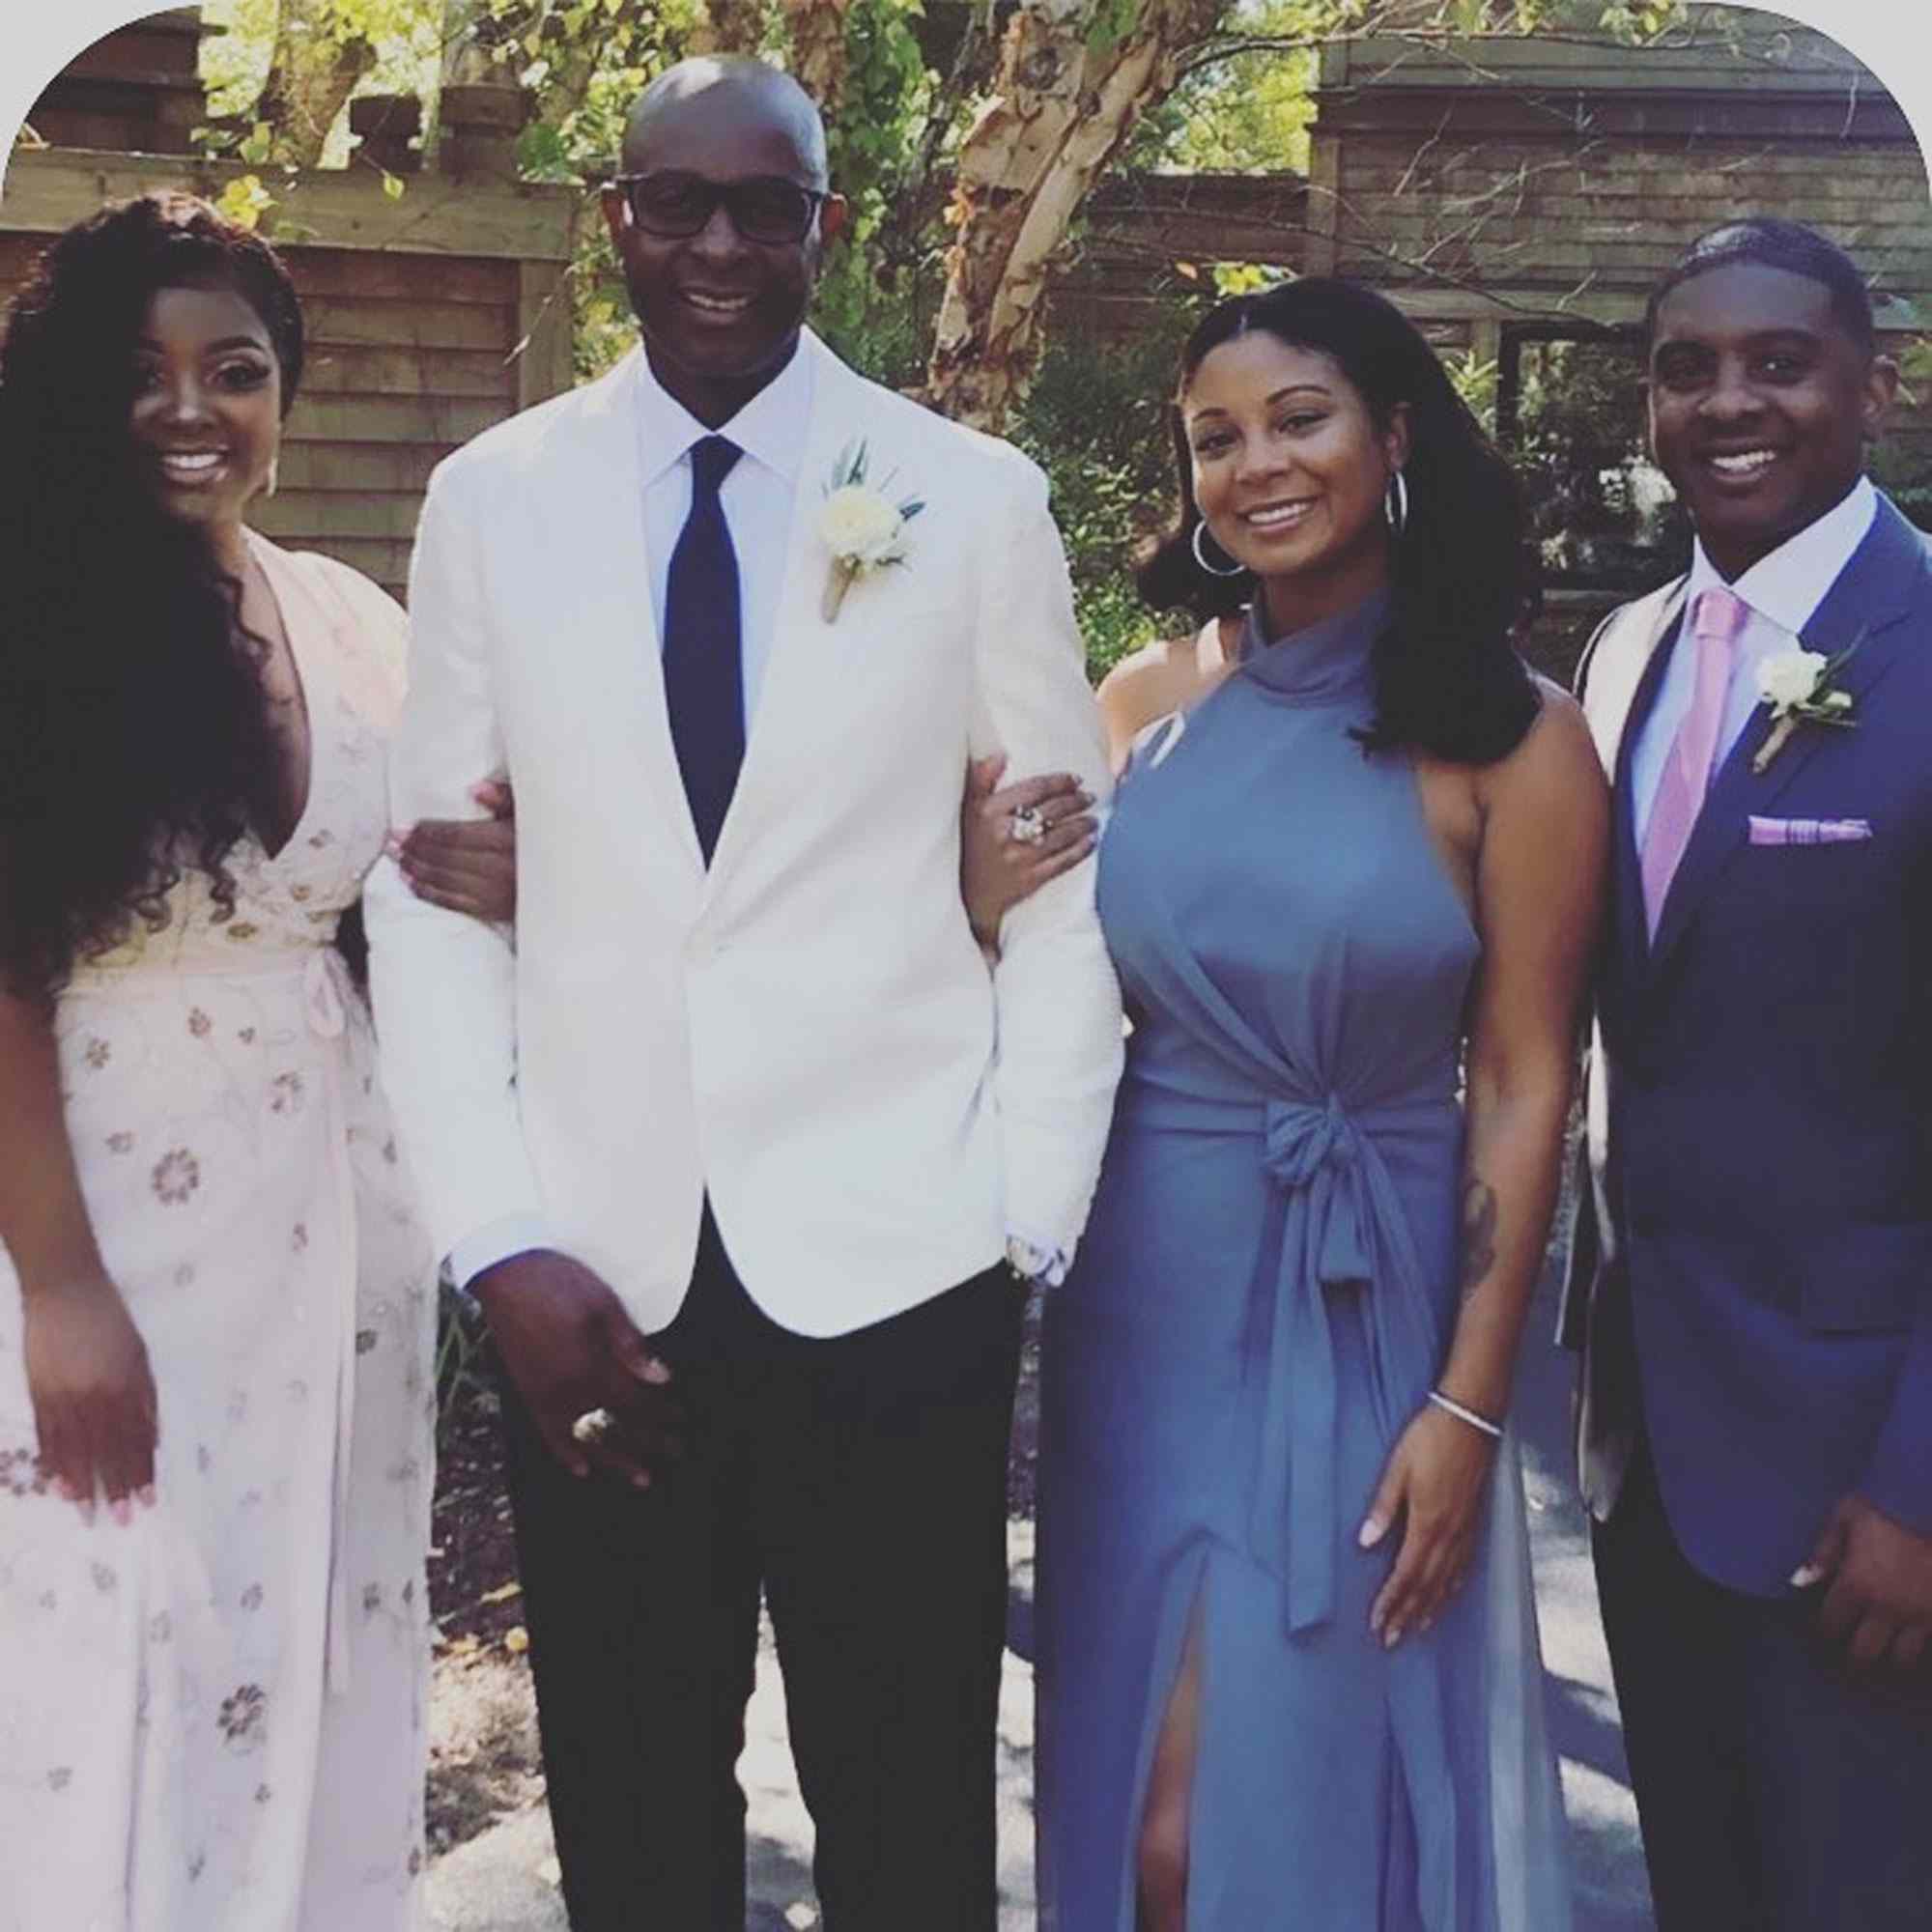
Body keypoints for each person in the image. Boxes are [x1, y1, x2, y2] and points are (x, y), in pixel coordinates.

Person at [362, 56, 1122, 1932]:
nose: (716, 242)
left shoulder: (968, 499)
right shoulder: (491, 502)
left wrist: (1016, 1223)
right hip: (595, 1288)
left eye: (761, 205)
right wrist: (499, 1241)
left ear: (824, 227)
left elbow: (1057, 887)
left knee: (909, 1806)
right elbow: (438, 904)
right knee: (627, 1812)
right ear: (612, 215)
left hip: (902, 1271)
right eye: (674, 201)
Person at [971, 278, 1605, 1929]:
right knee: (1132, 1823)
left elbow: (1528, 1082)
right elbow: (1041, 994)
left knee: (1258, 1808)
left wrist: (1470, 1413)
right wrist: (980, 897)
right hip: (1141, 1305)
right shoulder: (1138, 710)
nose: (1256, 464)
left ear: (1394, 435)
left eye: (1298, 417)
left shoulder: (1517, 743)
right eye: (1214, 437)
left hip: (1368, 1304)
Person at [0, 192, 509, 1931]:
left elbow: (393, 886)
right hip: (100, 1223)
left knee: (312, 1629)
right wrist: (57, 1290)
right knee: (105, 1640)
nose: (193, 409)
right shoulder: (30, 617)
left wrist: (481, 872)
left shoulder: (348, 619)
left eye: (238, 369)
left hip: (334, 1234)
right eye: (141, 373)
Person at [1562, 217, 1932, 1931]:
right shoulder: (1622, 654)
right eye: (1687, 368)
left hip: (1865, 1467)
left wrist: (1924, 1489)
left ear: (1875, 380)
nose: (1730, 402)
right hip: (1650, 1442)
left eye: (1778, 362)